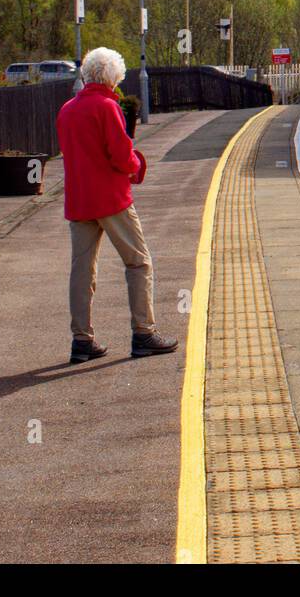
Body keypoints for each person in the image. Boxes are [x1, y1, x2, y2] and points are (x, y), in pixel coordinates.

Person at [56, 47, 177, 364]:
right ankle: (143, 333)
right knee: (138, 263)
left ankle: (81, 340)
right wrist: (137, 164)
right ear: (112, 77)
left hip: (79, 200)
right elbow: (122, 157)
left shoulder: (67, 110)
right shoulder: (108, 107)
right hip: (111, 199)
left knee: (82, 271)